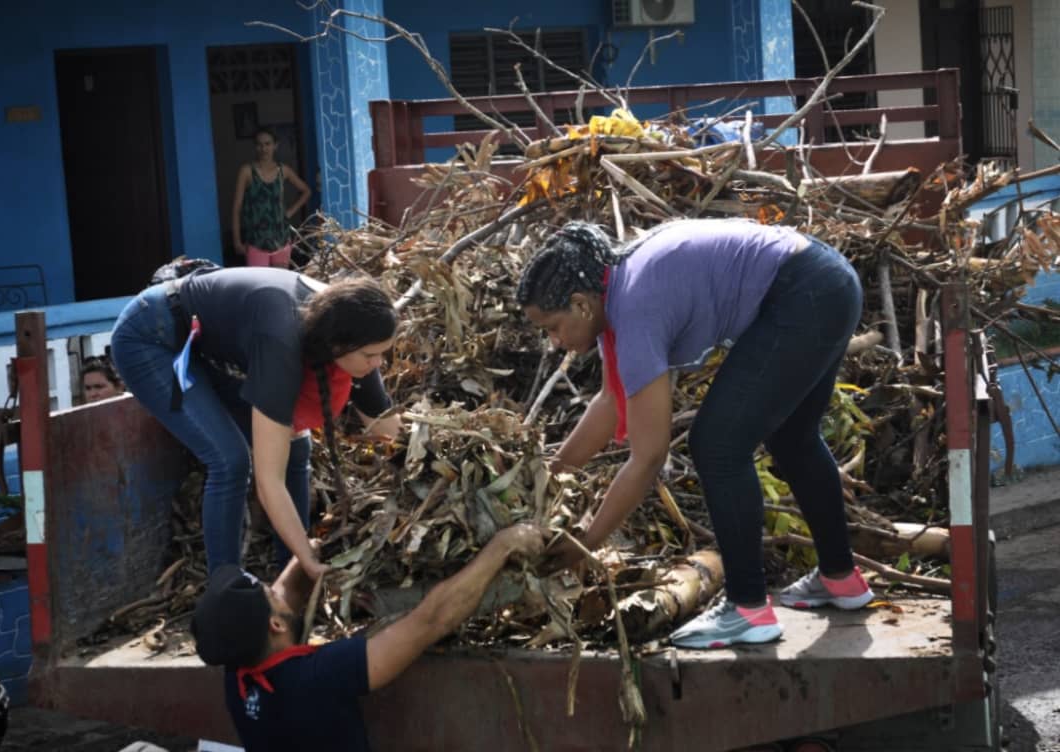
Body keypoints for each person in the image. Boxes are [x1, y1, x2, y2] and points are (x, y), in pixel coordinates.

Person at [517, 219, 874, 649]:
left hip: (803, 294)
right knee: (793, 437)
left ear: (581, 305)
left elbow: (648, 457)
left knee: (717, 445)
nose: (554, 342)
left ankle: (747, 609)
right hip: (829, 282)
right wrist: (546, 478)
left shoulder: (634, 307)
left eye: (552, 327)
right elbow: (613, 404)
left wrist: (585, 542)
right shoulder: (621, 286)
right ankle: (841, 579)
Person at [110, 267, 403, 579]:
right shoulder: (282, 340)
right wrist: (309, 559)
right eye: (372, 356)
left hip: (202, 344)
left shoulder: (354, 329)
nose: (377, 365)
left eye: (382, 355)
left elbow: (388, 430)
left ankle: (287, 576)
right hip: (150, 336)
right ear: (337, 346)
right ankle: (227, 588)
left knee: (297, 448)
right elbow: (269, 481)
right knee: (230, 460)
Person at [191, 524, 545, 752]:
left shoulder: (237, 679)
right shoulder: (320, 675)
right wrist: (502, 546)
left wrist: (311, 551)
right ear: (276, 627)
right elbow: (431, 620)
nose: (277, 589)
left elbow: (286, 593)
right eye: (270, 594)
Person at [232, 127, 312, 268]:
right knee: (259, 283)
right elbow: (237, 208)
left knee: (280, 282)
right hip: (256, 239)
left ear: (276, 145)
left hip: (280, 238)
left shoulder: (283, 171)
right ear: (255, 146)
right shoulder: (247, 171)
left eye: (268, 144)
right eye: (259, 144)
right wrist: (237, 241)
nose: (264, 149)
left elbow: (306, 191)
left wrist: (289, 212)